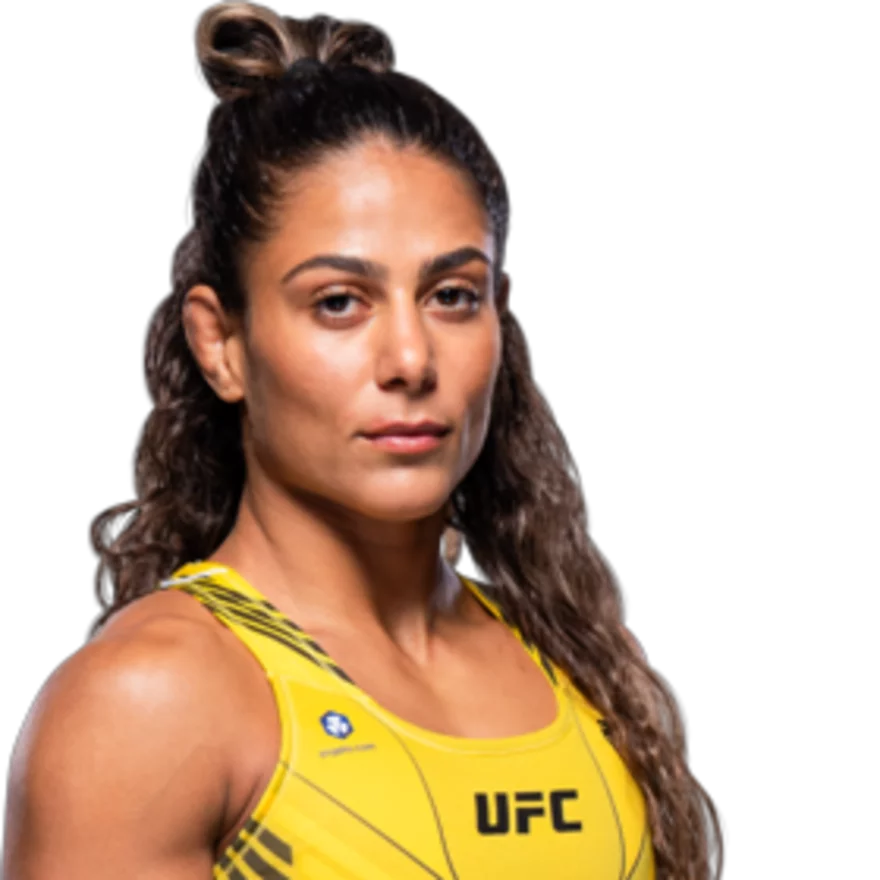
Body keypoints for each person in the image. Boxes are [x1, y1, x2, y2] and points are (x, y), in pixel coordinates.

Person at [2, 3, 724, 878]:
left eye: (452, 296)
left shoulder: (586, 667)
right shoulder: (150, 704)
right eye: (339, 302)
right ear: (221, 344)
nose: (411, 359)